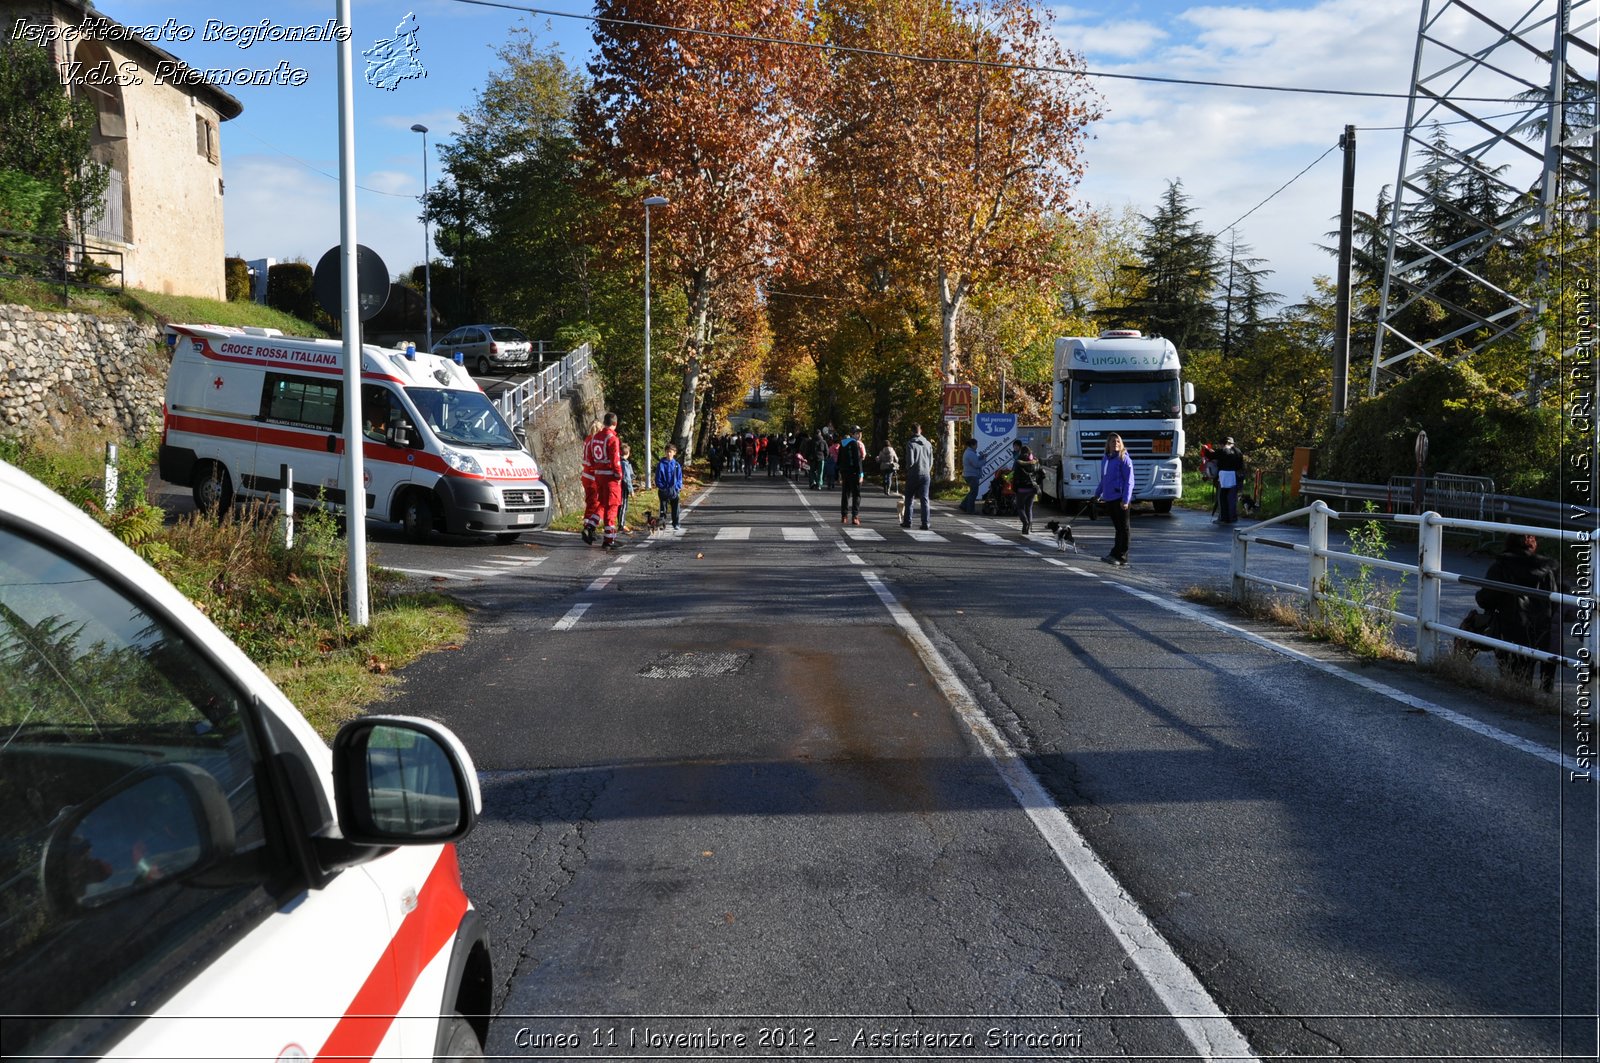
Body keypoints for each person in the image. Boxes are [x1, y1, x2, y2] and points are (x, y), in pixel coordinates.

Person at [1479, 533, 1559, 690]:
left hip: (1510, 629)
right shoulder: (1546, 569)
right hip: (1541, 631)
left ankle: (1518, 699)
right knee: (1538, 678)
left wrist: (1480, 598)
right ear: (1532, 544)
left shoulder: (1501, 566)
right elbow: (1554, 602)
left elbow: (1486, 598)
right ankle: (1540, 701)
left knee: (1514, 681)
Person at [1093, 433, 1134, 565]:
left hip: (1121, 499)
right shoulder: (1106, 459)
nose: (1115, 444)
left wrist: (1126, 500)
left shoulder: (1124, 459)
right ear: (1108, 444)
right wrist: (1097, 494)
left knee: (1124, 528)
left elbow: (1129, 481)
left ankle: (1122, 556)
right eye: (1112, 442)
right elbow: (1104, 479)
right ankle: (1115, 553)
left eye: (1118, 441)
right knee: (1118, 528)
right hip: (1109, 498)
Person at [587, 412, 624, 549]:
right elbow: (616, 459)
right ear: (615, 424)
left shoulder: (596, 437)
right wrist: (619, 475)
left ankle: (591, 524)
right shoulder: (613, 439)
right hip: (610, 477)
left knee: (602, 503)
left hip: (598, 475)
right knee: (612, 506)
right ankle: (609, 540)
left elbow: (590, 457)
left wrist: (596, 469)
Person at [901, 424, 933, 530]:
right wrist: (927, 470)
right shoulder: (928, 444)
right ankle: (926, 523)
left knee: (909, 498)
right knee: (925, 499)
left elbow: (911, 461)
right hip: (926, 474)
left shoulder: (910, 444)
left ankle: (908, 521)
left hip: (914, 474)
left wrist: (907, 468)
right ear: (921, 430)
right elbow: (931, 461)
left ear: (912, 431)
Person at [836, 425, 866, 525]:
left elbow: (839, 459)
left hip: (845, 472)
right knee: (856, 495)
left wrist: (840, 473)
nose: (860, 435)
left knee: (845, 494)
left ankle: (844, 516)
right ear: (853, 434)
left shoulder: (842, 443)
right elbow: (858, 460)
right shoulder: (854, 444)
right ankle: (855, 516)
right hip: (854, 472)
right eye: (858, 433)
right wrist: (861, 474)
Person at [1213, 437, 1245, 524]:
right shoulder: (1238, 451)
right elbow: (1241, 465)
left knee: (1222, 497)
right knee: (1233, 498)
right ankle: (1233, 517)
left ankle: (1224, 518)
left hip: (1226, 476)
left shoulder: (1224, 451)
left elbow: (1214, 458)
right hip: (1238, 476)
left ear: (1224, 444)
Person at [579, 419, 602, 545]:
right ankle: (589, 527)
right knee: (596, 503)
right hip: (593, 476)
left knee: (590, 502)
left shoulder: (587, 439)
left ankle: (589, 526)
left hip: (586, 475)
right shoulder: (596, 442)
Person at [1012, 444, 1042, 535]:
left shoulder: (1018, 462)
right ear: (1030, 452)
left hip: (1021, 489)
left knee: (1020, 507)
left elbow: (1015, 476)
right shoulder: (1035, 462)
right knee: (1029, 508)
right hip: (1032, 488)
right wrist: (1037, 483)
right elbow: (1041, 473)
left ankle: (1025, 522)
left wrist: (1015, 487)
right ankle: (1028, 527)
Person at [654, 443, 684, 530]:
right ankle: (662, 523)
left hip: (674, 490)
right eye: (667, 452)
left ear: (674, 453)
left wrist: (677, 488)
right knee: (663, 507)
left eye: (670, 452)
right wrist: (662, 487)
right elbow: (658, 478)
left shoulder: (677, 465)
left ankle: (676, 523)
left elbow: (679, 478)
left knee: (675, 507)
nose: (669, 454)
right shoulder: (661, 464)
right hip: (664, 490)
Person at [959, 437, 982, 513]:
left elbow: (974, 460)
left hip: (968, 474)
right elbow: (976, 464)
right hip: (972, 475)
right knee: (974, 493)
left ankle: (963, 505)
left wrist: (980, 457)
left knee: (972, 491)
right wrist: (984, 460)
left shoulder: (968, 452)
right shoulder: (971, 453)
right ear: (972, 445)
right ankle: (970, 510)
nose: (977, 446)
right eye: (976, 445)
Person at [617, 442, 636, 532]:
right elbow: (627, 478)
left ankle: (620, 523)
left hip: (618, 486)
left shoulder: (619, 462)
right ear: (628, 453)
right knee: (624, 506)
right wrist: (631, 490)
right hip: (624, 487)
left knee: (619, 506)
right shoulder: (624, 464)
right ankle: (621, 525)